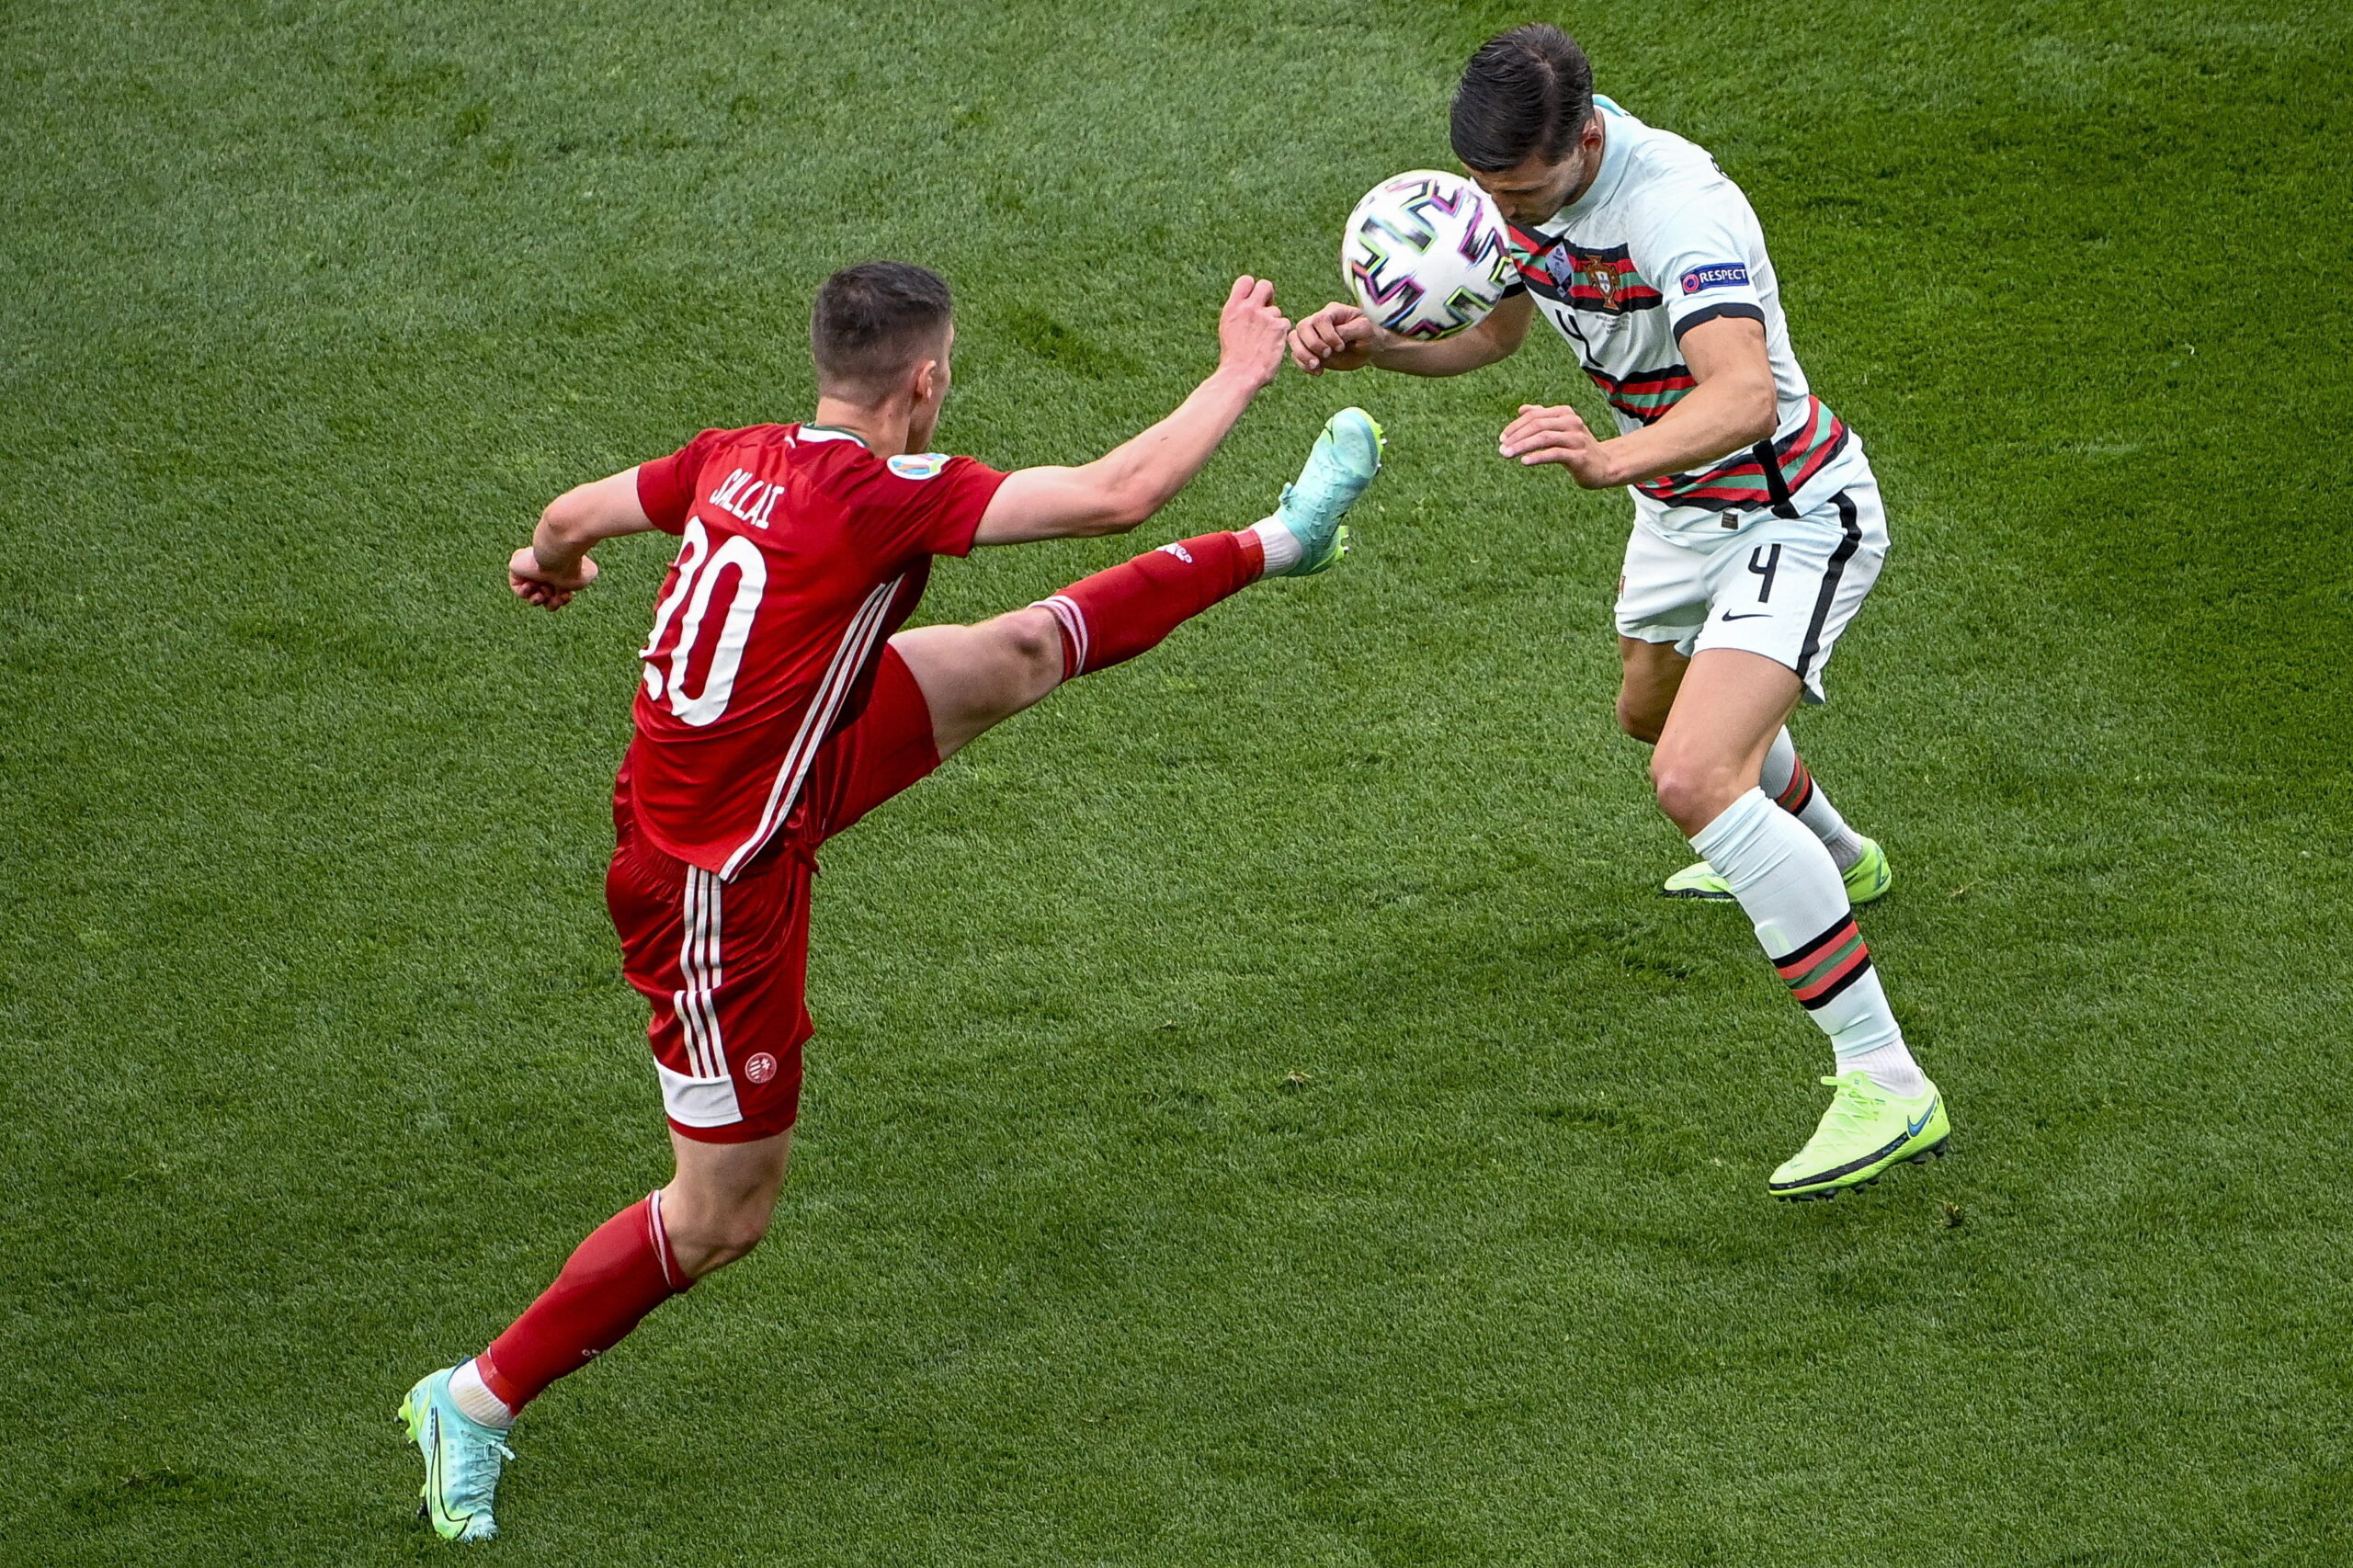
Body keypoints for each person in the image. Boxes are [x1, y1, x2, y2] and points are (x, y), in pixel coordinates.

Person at [400, 261, 1383, 1541]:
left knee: (1023, 652)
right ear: (924, 380)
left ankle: (1284, 540)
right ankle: (473, 1398)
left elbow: (574, 508)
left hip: (781, 756)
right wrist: (1240, 367)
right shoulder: (877, 496)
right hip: (715, 892)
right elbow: (1118, 493)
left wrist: (548, 561)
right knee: (721, 1212)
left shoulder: (734, 454)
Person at [1288, 23, 1947, 1201]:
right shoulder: (1518, 193)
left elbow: (1742, 395)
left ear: (1586, 140)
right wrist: (1375, 350)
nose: (1503, 215)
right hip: (1678, 505)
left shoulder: (1676, 209)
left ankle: (1886, 1080)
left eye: (1521, 192)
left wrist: (1605, 459)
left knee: (1696, 777)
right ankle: (1839, 857)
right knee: (1649, 714)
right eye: (1488, 193)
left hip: (1788, 505)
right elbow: (1496, 329)